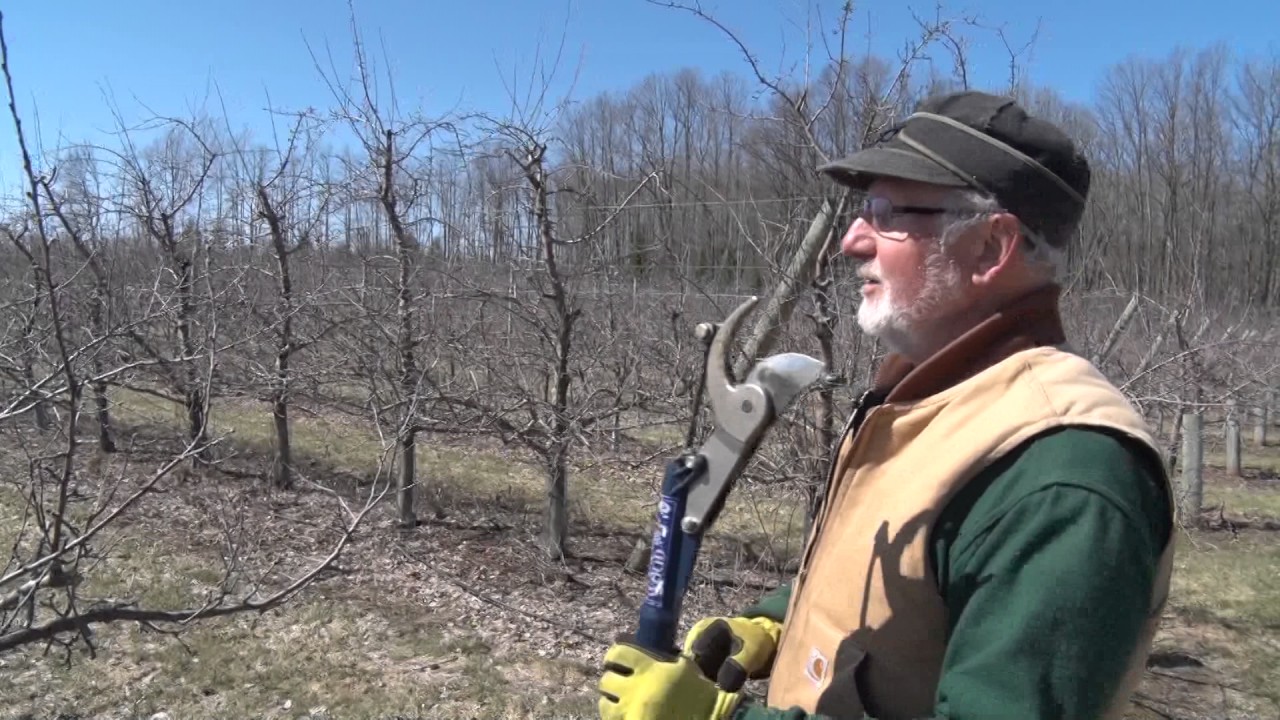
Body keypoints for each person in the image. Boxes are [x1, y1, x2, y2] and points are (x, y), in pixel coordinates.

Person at [596, 90, 1175, 720]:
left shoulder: (1062, 477)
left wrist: (722, 719)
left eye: (888, 212)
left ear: (991, 246)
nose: (851, 241)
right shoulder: (927, 394)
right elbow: (905, 571)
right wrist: (774, 623)